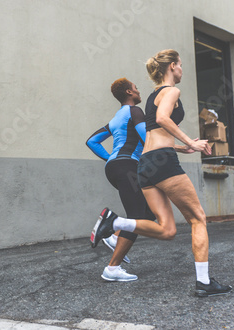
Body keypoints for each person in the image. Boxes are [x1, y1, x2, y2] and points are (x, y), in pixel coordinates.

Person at [91, 49, 232, 297]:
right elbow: (163, 119)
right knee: (198, 218)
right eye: (180, 65)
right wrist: (193, 142)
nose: (182, 69)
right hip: (162, 161)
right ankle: (203, 282)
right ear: (172, 66)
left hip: (145, 163)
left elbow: (155, 131)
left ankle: (115, 223)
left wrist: (182, 146)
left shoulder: (152, 96)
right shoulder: (171, 91)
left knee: (167, 230)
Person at [86, 78, 155, 282]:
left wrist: (111, 158)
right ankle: (112, 266)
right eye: (136, 88)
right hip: (129, 167)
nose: (138, 90)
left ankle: (115, 236)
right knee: (136, 215)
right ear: (129, 92)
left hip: (115, 168)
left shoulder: (116, 118)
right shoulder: (135, 111)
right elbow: (147, 138)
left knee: (148, 212)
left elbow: (92, 141)